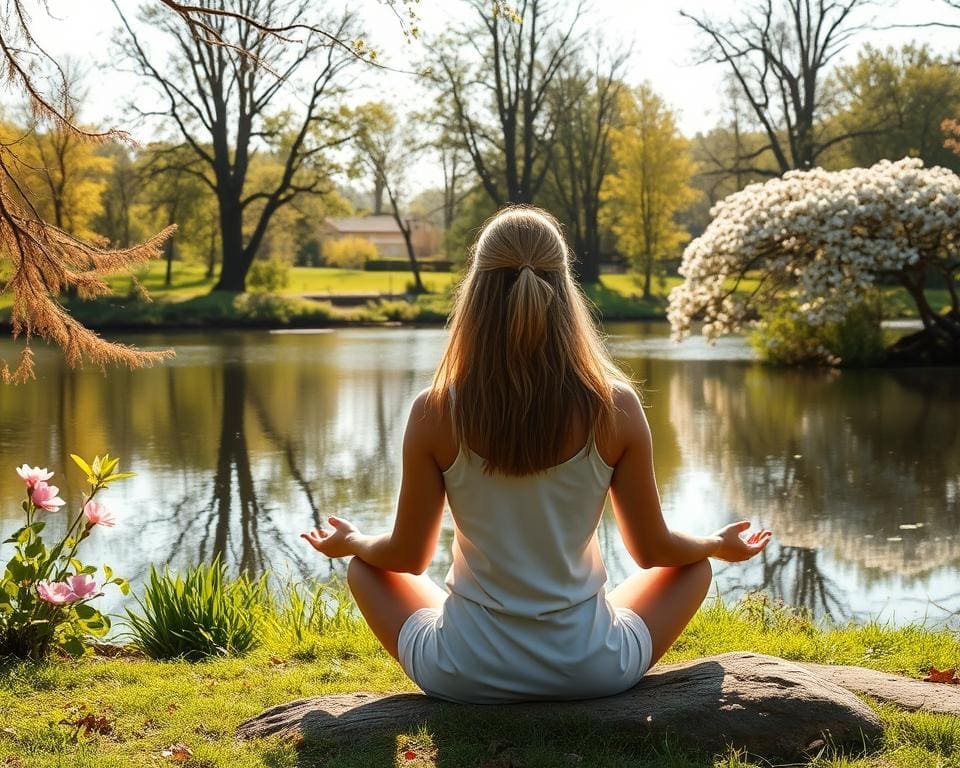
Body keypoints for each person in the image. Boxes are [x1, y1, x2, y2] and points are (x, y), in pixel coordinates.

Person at [302, 205, 772, 704]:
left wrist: (353, 540)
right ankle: (572, 631)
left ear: (476, 298)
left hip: (464, 671)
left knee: (364, 568)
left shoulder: (434, 411)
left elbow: (407, 558)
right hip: (592, 668)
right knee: (693, 566)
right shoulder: (615, 407)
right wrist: (714, 544)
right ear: (565, 292)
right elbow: (653, 552)